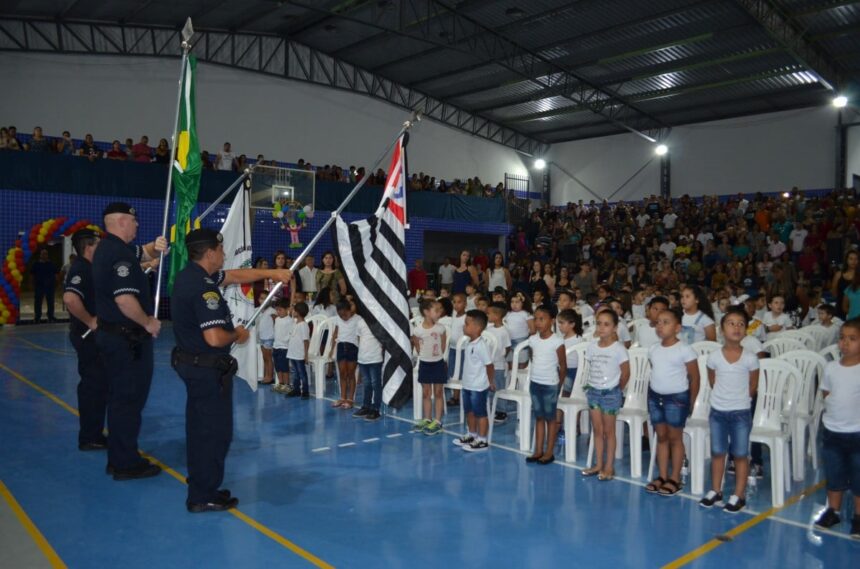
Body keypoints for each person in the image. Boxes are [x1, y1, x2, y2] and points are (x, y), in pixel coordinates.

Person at [170, 228, 291, 512]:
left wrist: (271, 273)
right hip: (206, 369)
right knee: (214, 432)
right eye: (221, 250)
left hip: (193, 365)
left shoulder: (192, 276)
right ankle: (202, 495)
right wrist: (237, 334)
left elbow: (236, 275)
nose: (224, 255)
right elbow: (214, 337)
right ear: (210, 252)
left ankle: (202, 483)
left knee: (201, 429)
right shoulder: (203, 288)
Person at [92, 202, 167, 480]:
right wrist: (148, 322)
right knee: (128, 400)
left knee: (120, 400)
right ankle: (125, 462)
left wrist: (155, 245)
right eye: (134, 221)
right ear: (122, 222)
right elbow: (124, 300)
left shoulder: (110, 248)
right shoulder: (119, 255)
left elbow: (144, 252)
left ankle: (119, 456)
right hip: (126, 341)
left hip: (115, 338)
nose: (137, 225)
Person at [699, 307, 760, 514]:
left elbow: (753, 385)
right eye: (731, 323)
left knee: (741, 454)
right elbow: (712, 379)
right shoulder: (714, 357)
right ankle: (716, 490)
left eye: (741, 324)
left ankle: (739, 494)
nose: (736, 327)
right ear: (722, 329)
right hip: (718, 412)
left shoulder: (751, 358)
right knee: (718, 452)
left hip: (740, 413)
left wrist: (740, 400)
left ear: (746, 331)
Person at [645, 308, 700, 496]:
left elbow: (694, 377)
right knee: (661, 437)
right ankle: (661, 475)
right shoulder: (653, 349)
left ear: (677, 328)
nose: (660, 326)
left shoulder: (685, 350)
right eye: (658, 322)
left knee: (675, 438)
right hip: (654, 396)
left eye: (666, 322)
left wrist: (691, 401)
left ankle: (675, 478)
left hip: (676, 399)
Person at [814, 319, 860, 538]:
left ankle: (859, 517)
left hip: (857, 432)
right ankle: (833, 510)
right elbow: (826, 392)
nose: (845, 343)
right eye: (842, 338)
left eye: (852, 339)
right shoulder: (831, 367)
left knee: (858, 476)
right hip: (832, 432)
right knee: (834, 474)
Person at [62, 229, 108, 451]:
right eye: (98, 244)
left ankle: (94, 433)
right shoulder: (81, 268)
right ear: (89, 247)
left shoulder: (90, 268)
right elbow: (70, 299)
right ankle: (90, 437)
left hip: (92, 338)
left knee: (98, 386)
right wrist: (90, 320)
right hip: (87, 338)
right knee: (93, 387)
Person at [582, 309, 630, 480]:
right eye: (599, 323)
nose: (601, 327)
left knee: (609, 432)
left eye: (606, 324)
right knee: (597, 430)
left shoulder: (619, 349)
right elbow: (591, 368)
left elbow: (625, 373)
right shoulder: (592, 347)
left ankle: (609, 466)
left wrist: (616, 390)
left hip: (610, 394)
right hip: (593, 393)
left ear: (615, 328)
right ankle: (598, 464)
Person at [525, 306, 566, 465]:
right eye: (536, 319)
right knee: (539, 417)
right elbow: (533, 358)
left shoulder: (557, 341)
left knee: (550, 419)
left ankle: (549, 452)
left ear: (552, 321)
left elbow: (563, 366)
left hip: (550, 385)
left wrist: (558, 386)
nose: (538, 322)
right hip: (535, 383)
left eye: (542, 319)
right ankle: (538, 450)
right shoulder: (533, 340)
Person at [452, 309, 495, 452]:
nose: (464, 326)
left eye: (467, 324)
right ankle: (472, 434)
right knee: (469, 411)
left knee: (480, 413)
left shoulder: (481, 345)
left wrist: (490, 381)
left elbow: (489, 365)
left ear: (477, 327)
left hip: (478, 386)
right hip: (468, 384)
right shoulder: (469, 342)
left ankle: (482, 440)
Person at [411, 298, 447, 435]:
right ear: (426, 312)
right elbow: (416, 344)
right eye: (436, 310)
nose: (439, 313)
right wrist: (424, 356)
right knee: (426, 393)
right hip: (425, 364)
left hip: (438, 363)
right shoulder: (418, 330)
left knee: (438, 392)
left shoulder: (440, 328)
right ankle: (427, 418)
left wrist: (437, 355)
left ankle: (437, 421)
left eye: (440, 310)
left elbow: (443, 344)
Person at [352, 312, 384, 421]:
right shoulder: (360, 322)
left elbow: (382, 340)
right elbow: (359, 339)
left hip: (375, 358)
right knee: (366, 384)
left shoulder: (378, 323)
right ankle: (366, 406)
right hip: (363, 358)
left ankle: (376, 409)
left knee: (376, 384)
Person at [485, 303, 511, 424]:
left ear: (497, 315)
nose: (487, 315)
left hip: (498, 365)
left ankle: (501, 411)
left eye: (489, 313)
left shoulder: (504, 331)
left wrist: (501, 357)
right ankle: (491, 408)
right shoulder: (488, 329)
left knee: (499, 388)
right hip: (488, 364)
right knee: (490, 387)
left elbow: (507, 347)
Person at [330, 299, 359, 409]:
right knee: (342, 373)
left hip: (353, 348)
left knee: (351, 374)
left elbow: (360, 337)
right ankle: (342, 397)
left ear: (349, 310)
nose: (342, 316)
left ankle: (350, 399)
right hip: (341, 347)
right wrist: (332, 349)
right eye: (339, 314)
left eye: (344, 314)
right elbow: (335, 334)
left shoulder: (358, 319)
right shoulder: (338, 319)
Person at [285, 301, 311, 399]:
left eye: (294, 310)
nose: (293, 312)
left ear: (298, 312)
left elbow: (306, 341)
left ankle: (305, 391)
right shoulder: (295, 323)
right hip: (293, 353)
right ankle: (296, 389)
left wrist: (306, 354)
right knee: (295, 373)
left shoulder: (303, 325)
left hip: (299, 354)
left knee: (302, 373)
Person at [30, 248, 58, 323]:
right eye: (43, 254)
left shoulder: (51, 263)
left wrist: (56, 283)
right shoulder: (36, 264)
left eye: (46, 254)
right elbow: (32, 275)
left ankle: (51, 316)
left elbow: (56, 274)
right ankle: (37, 317)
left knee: (51, 302)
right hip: (39, 286)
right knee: (38, 302)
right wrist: (32, 284)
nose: (44, 255)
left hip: (50, 286)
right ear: (40, 255)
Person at [271, 299, 293, 393]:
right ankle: (281, 383)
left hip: (284, 347)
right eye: (277, 310)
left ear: (287, 309)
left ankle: (287, 385)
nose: (278, 312)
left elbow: (291, 333)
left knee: (284, 367)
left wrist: (285, 341)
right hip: (276, 346)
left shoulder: (290, 320)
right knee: (278, 366)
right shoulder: (276, 319)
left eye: (280, 310)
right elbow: (276, 332)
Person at [256, 290, 276, 385]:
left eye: (265, 298)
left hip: (269, 337)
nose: (262, 300)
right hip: (262, 337)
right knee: (265, 358)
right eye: (261, 298)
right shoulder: (259, 310)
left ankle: (270, 377)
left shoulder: (271, 311)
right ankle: (266, 375)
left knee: (268, 358)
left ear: (269, 300)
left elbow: (276, 323)